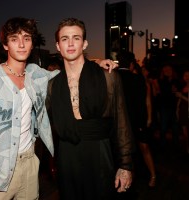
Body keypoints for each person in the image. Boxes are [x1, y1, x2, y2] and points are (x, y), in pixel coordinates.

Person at [0, 17, 117, 200]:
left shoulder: (36, 75)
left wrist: (95, 62)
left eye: (27, 38)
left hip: (30, 166)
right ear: (5, 45)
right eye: (14, 39)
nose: (22, 44)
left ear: (32, 44)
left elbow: (69, 70)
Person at [49, 18, 133, 200]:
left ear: (84, 43)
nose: (70, 43)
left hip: (100, 154)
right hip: (67, 157)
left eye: (76, 38)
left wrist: (125, 165)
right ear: (58, 45)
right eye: (64, 39)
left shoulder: (108, 77)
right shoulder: (52, 84)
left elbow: (122, 122)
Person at [117, 51, 157, 188]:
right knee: (135, 150)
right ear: (132, 64)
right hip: (134, 121)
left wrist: (149, 118)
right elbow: (146, 102)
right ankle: (143, 177)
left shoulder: (117, 77)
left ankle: (150, 176)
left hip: (132, 121)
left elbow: (147, 101)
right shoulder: (136, 79)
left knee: (138, 149)